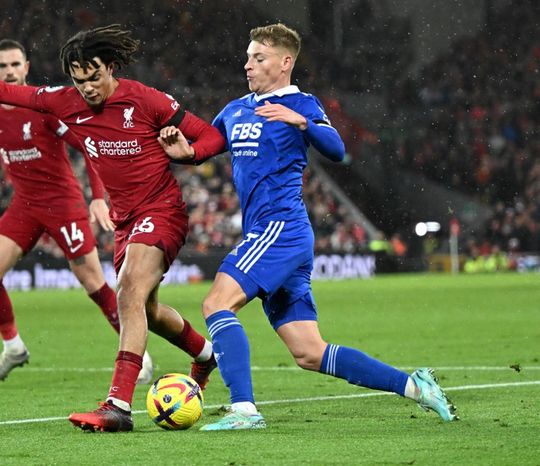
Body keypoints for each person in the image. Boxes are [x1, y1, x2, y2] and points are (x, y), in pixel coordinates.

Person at [0, 24, 225, 433]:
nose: (87, 89)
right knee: (146, 311)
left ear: (111, 68)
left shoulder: (145, 99)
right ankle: (206, 355)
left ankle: (118, 405)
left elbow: (211, 135)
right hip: (125, 221)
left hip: (163, 209)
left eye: (94, 78)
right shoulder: (63, 102)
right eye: (79, 81)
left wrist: (189, 154)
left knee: (128, 292)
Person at [161, 23, 458, 430]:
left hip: (280, 229)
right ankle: (414, 386)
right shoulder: (235, 110)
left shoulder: (303, 104)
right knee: (309, 353)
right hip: (272, 236)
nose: (247, 64)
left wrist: (301, 122)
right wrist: (185, 151)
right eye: (248, 56)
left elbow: (337, 150)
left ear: (285, 63)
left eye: (258, 58)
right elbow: (208, 147)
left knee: (216, 304)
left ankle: (244, 410)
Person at [0, 38, 153, 385]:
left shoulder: (43, 107)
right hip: (24, 204)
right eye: (2, 65)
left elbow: (87, 144)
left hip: (63, 203)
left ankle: (139, 355)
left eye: (15, 64)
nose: (9, 71)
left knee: (93, 281)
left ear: (26, 68)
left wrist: (98, 197)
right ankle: (14, 347)